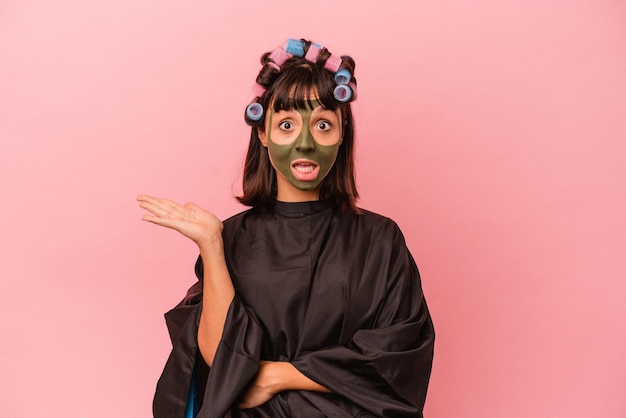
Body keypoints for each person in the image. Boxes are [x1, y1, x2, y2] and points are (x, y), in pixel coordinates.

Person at [138, 38, 435, 418]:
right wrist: (212, 245)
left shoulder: (380, 240)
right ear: (263, 134)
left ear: (342, 133)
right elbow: (219, 357)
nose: (305, 142)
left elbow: (395, 354)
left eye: (323, 124)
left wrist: (281, 375)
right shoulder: (232, 239)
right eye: (287, 124)